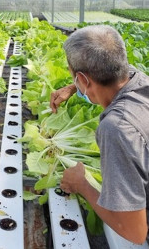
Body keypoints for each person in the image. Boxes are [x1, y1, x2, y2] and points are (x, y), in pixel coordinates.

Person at [50, 25, 149, 245]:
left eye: (75, 79)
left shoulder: (118, 128)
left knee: (116, 231)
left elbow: (135, 232)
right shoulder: (140, 81)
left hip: (140, 230)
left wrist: (82, 184)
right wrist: (73, 87)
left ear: (84, 80)